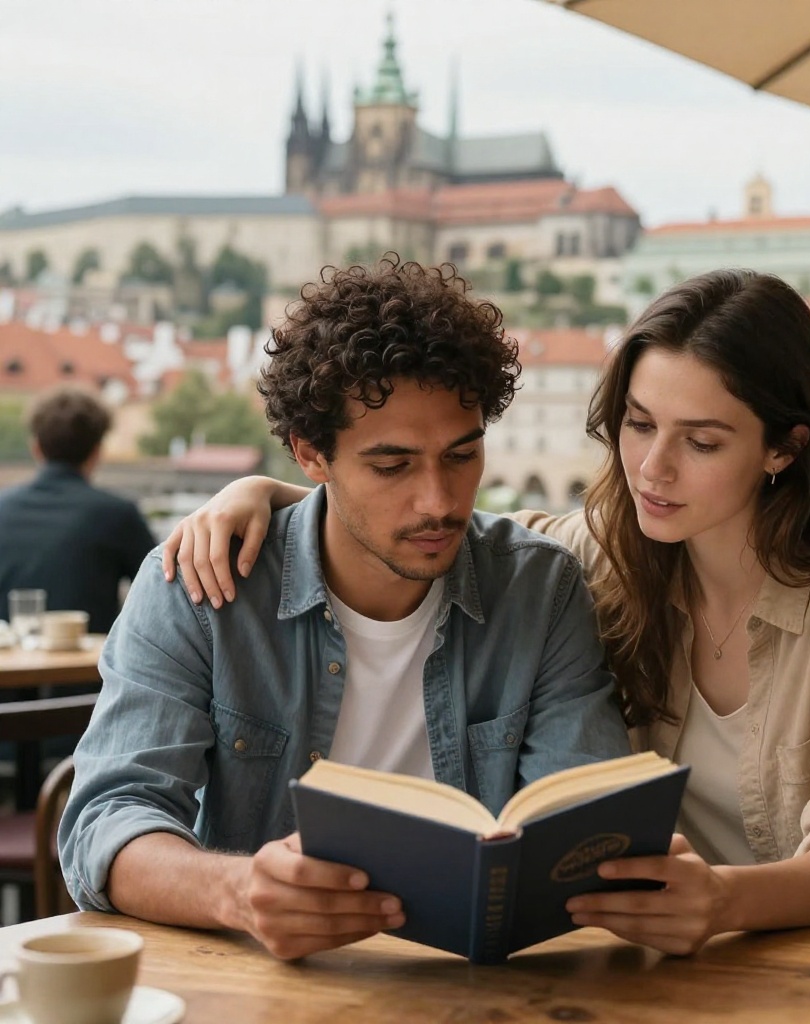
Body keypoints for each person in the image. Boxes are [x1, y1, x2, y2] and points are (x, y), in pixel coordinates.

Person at [168, 268, 810, 1022]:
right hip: (687, 966)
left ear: (785, 448)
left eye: (703, 441)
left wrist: (719, 901)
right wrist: (270, 493)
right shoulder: (609, 545)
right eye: (639, 425)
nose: (654, 468)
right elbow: (445, 527)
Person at [59, 255, 629, 961]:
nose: (440, 502)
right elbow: (106, 822)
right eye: (391, 466)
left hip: (481, 989)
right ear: (310, 455)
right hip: (260, 988)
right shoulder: (198, 587)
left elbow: (580, 825)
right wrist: (239, 891)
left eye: (462, 455)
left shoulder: (540, 591)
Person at [0, 385, 156, 634]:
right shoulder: (118, 515)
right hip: (87, 669)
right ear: (97, 452)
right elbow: (159, 591)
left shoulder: (2, 508)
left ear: (36, 448)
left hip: (9, 668)